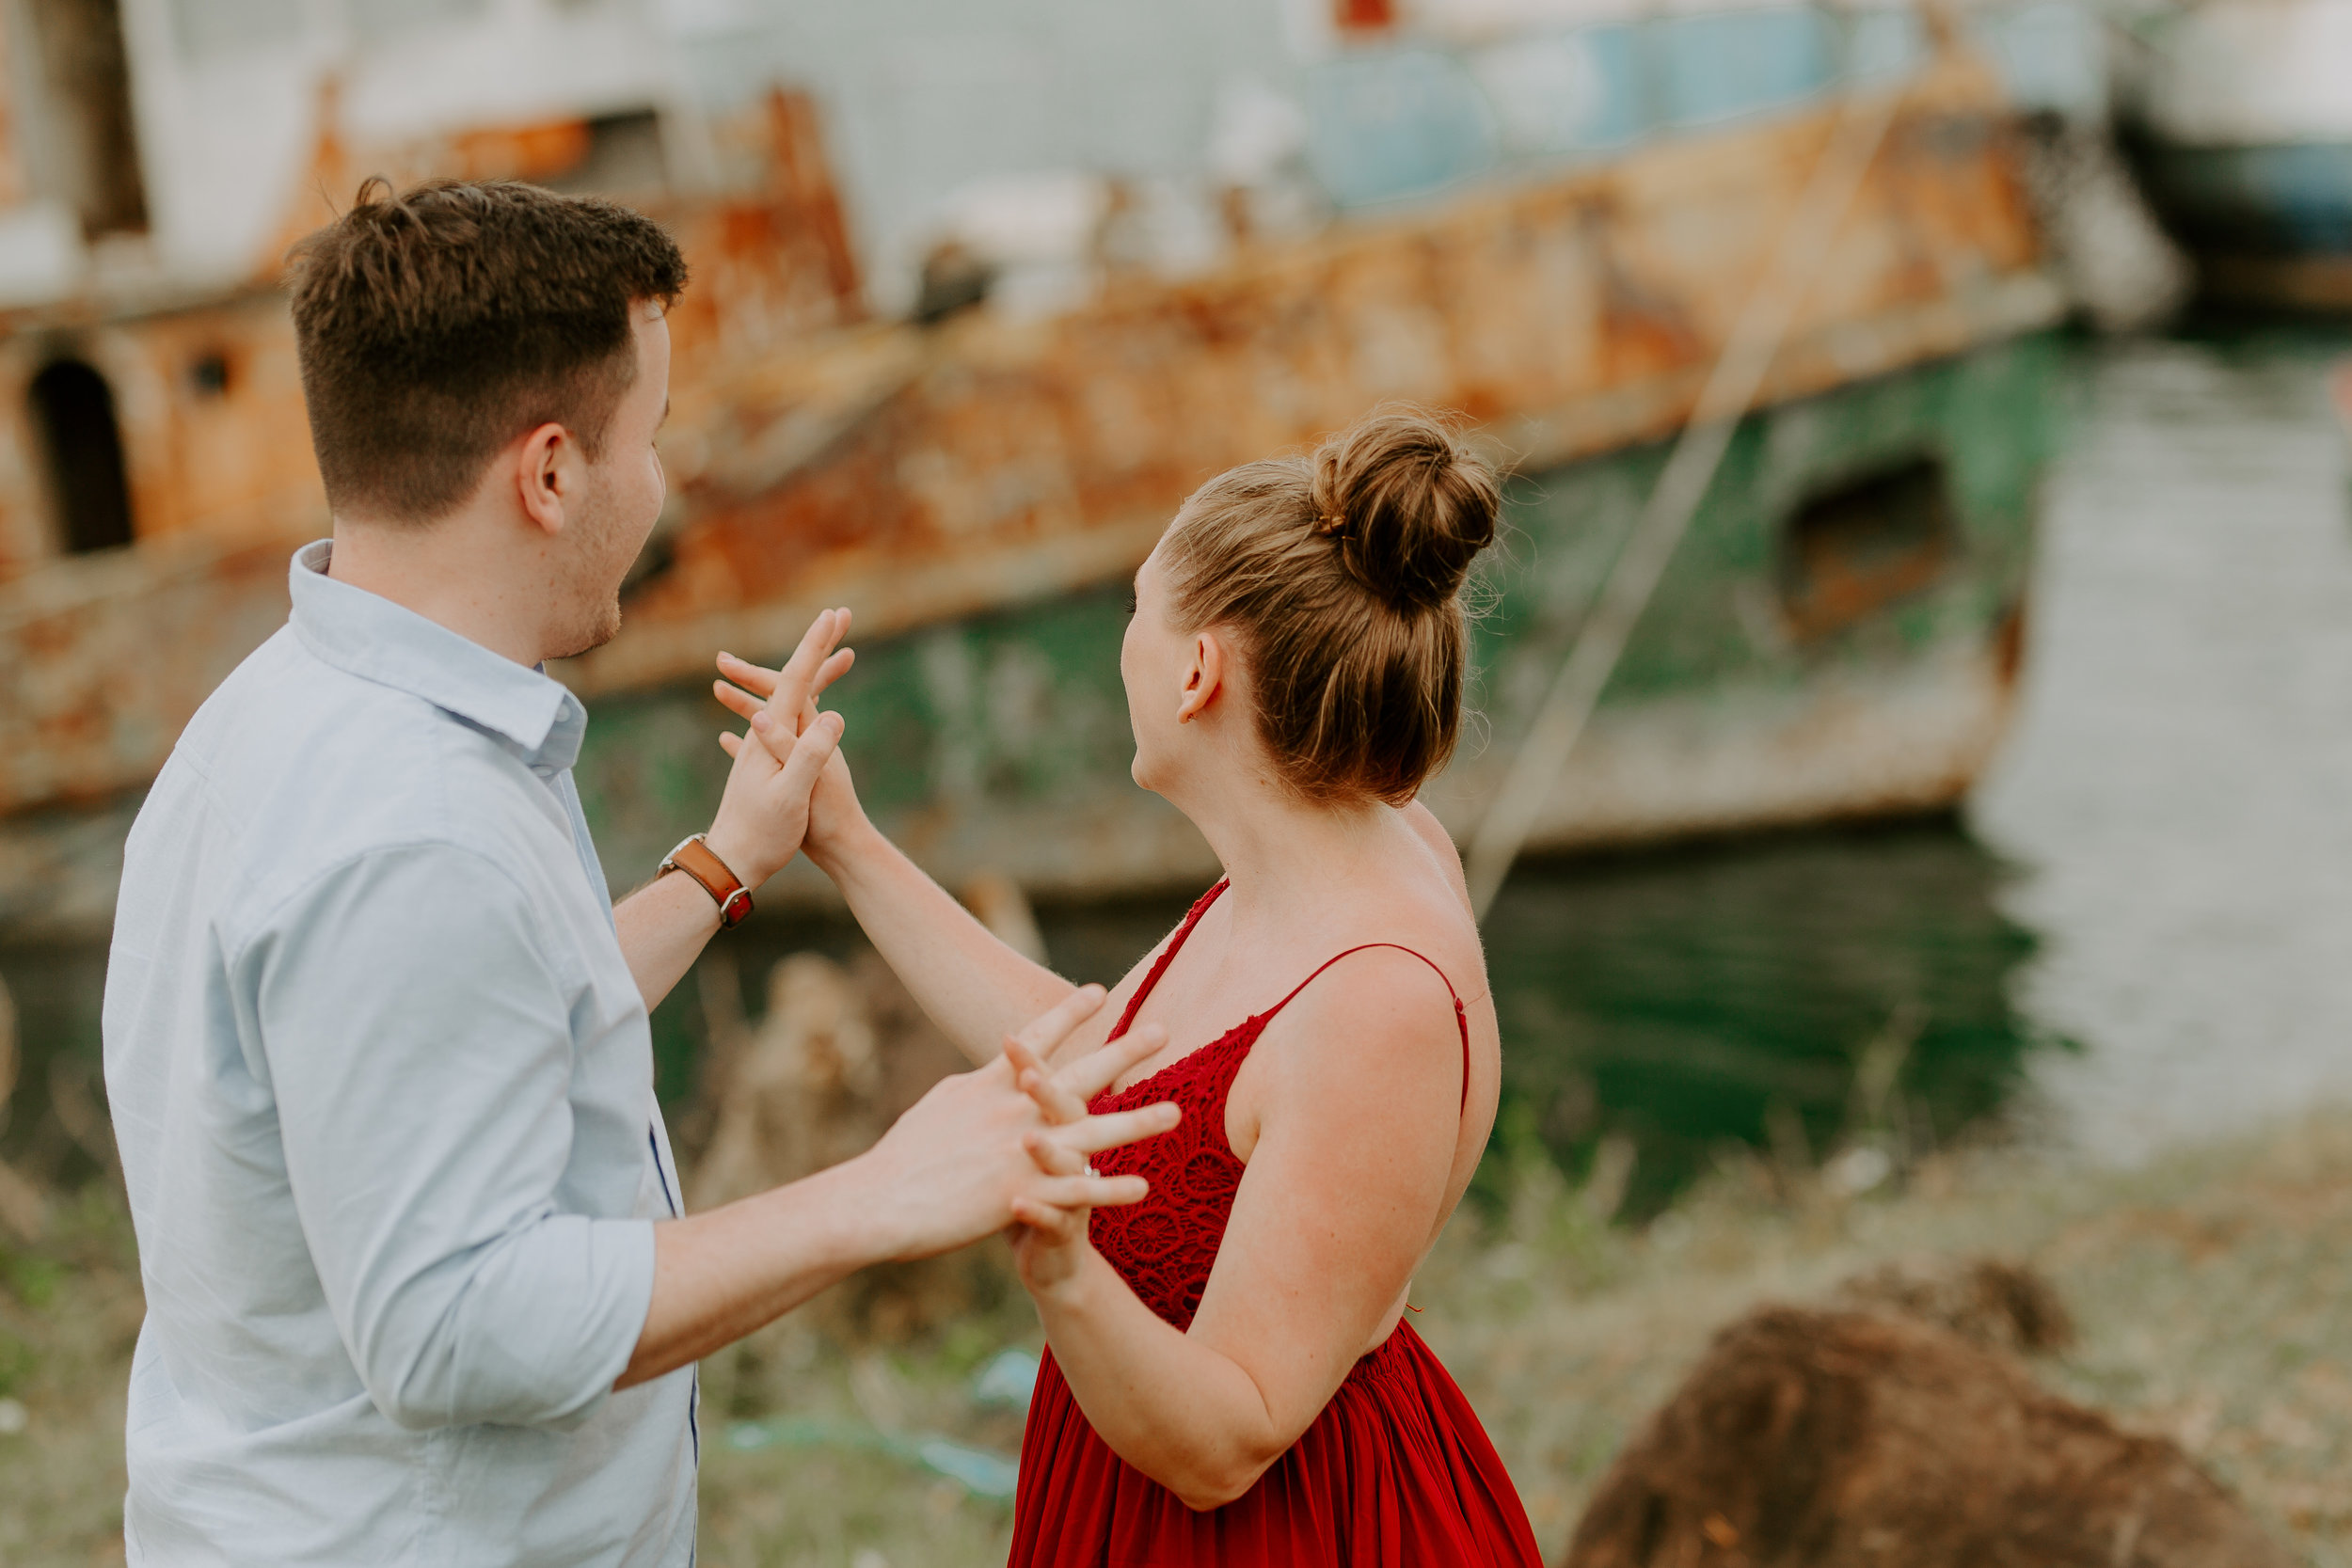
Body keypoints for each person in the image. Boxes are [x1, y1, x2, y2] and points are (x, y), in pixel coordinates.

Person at [99, 178, 1175, 1568]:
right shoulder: (412, 825)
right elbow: (454, 1321)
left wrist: (726, 865)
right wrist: (879, 1190)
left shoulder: (288, 707)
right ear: (549, 474)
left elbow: (465, 1033)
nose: (662, 485)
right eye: (650, 438)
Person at [719, 409, 1544, 1562]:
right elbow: (1113, 1069)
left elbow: (1230, 1435)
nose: (1123, 647)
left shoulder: (1376, 1001)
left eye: (1136, 614)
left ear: (1197, 669)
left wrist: (1062, 1271)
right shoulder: (1315, 856)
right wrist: (844, 838)